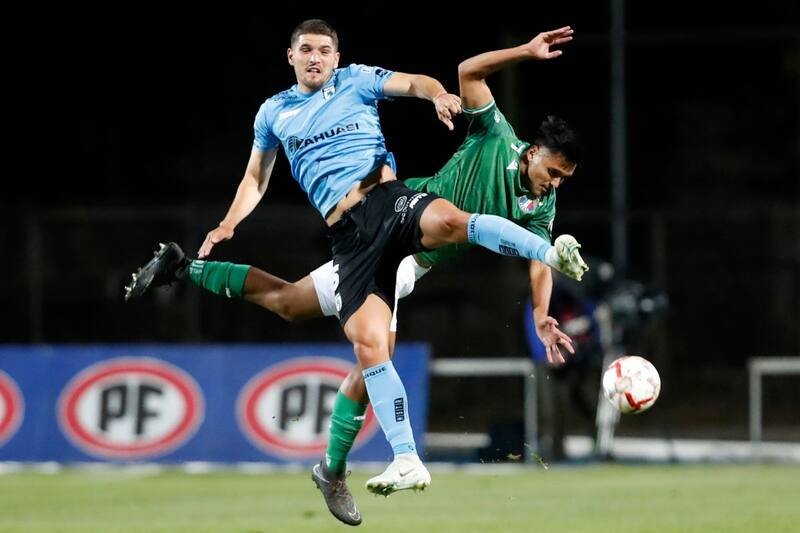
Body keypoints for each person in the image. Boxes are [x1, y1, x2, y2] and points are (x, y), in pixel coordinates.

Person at [125, 20, 587, 527]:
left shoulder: (357, 80)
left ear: (338, 57)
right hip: (356, 237)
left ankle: (397, 460)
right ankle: (185, 267)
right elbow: (256, 176)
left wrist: (543, 306)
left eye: (325, 50)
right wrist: (229, 223)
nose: (317, 58)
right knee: (299, 310)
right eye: (308, 50)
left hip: (400, 211)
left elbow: (417, 82)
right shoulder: (275, 113)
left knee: (448, 231)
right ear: (291, 56)